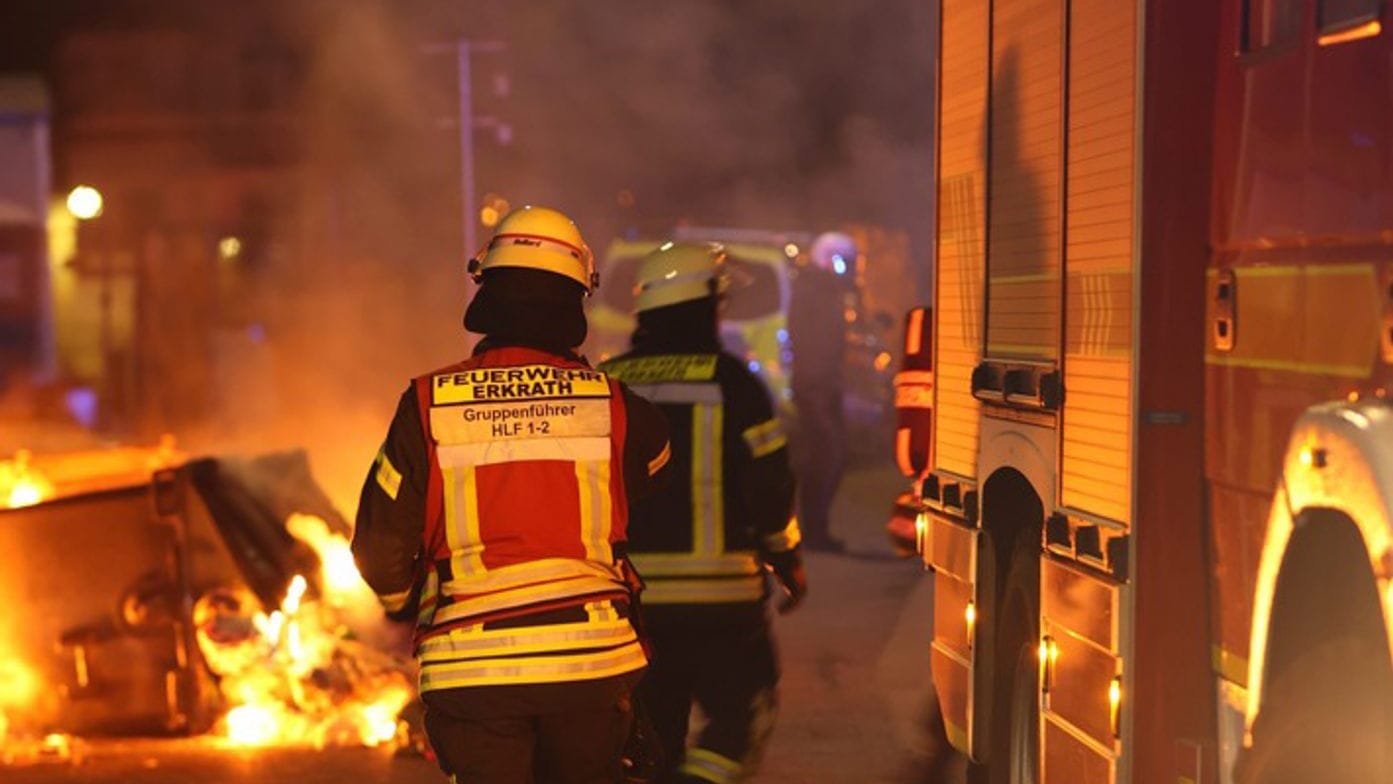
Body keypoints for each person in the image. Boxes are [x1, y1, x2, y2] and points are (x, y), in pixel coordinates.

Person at [351, 205, 672, 784]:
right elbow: (651, 482)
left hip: (472, 675)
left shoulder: (427, 403)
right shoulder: (618, 406)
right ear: (579, 297)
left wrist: (401, 599)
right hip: (592, 665)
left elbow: (380, 556)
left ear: (486, 290)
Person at [600, 240, 806, 784]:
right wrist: (788, 560)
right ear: (703, 305)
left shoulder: (606, 385)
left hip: (629, 604)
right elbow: (771, 487)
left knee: (648, 738)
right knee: (741, 718)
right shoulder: (735, 384)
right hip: (722, 605)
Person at [786, 231, 855, 552]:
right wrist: (819, 381)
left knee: (828, 457)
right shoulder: (814, 289)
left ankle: (815, 530)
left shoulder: (822, 289)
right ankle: (813, 532)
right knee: (825, 456)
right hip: (816, 385)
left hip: (822, 384)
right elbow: (812, 341)